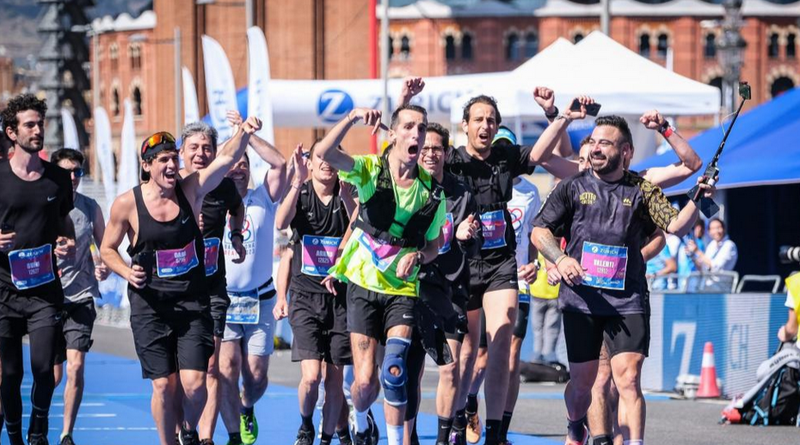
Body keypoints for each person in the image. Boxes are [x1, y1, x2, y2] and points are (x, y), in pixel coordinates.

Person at [532, 113, 715, 445]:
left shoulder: (642, 188)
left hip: (627, 300)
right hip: (582, 301)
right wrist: (560, 258)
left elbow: (676, 226)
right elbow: (540, 232)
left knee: (628, 380)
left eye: (605, 143)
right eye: (594, 142)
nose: (596, 148)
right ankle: (575, 423)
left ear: (626, 151)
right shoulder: (573, 186)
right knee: (584, 384)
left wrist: (697, 197)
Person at [100, 117, 259, 445]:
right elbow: (107, 249)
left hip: (191, 303)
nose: (172, 165)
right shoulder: (127, 204)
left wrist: (243, 133)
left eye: (174, 158)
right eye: (164, 160)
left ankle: (188, 430)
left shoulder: (191, 190)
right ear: (147, 166)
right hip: (151, 307)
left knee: (196, 384)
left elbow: (226, 159)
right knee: (163, 385)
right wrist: (126, 271)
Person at [445, 89, 585, 445]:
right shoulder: (452, 161)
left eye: (491, 120)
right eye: (478, 119)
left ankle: (495, 432)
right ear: (465, 125)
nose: (485, 126)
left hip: (501, 264)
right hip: (463, 266)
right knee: (466, 354)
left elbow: (540, 154)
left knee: (502, 346)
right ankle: (458, 421)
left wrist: (562, 117)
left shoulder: (505, 157)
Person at [316, 104, 446, 445]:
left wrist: (417, 256)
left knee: (395, 370)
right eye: (408, 127)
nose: (416, 134)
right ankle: (361, 421)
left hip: (402, 289)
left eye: (421, 128)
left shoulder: (432, 193)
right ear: (393, 134)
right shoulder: (370, 170)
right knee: (364, 382)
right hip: (362, 285)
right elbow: (325, 152)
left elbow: (434, 246)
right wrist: (351, 118)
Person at [459, 125, 542, 445]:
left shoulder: (530, 192)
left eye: (508, 148)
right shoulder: (477, 181)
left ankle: (501, 430)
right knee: (479, 356)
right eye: (498, 147)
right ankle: (469, 405)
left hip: (516, 278)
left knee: (510, 355)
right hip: (481, 275)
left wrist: (535, 263)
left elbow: (533, 234)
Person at [0, 94, 76, 445]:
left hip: (44, 290)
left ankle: (38, 429)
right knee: (9, 375)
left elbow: (64, 221)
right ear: (11, 132)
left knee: (45, 369)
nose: (37, 130)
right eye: (29, 125)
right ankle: (15, 436)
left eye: (40, 124)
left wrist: (67, 241)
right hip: (4, 290)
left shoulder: (58, 179)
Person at [273, 142, 356, 445]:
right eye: (321, 156)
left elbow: (359, 227)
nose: (327, 162)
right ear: (309, 163)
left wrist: (347, 197)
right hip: (305, 299)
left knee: (334, 378)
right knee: (311, 377)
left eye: (334, 157)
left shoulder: (347, 195)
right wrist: (281, 298)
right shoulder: (302, 193)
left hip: (340, 300)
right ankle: (306, 424)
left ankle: (326, 438)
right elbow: (281, 223)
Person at [403, 122, 480, 445]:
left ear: (447, 153)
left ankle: (444, 438)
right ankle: (407, 437)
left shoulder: (462, 193)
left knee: (450, 367)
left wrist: (466, 237)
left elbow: (475, 248)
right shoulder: (405, 187)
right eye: (425, 148)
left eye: (437, 148)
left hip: (451, 290)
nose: (431, 154)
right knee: (411, 371)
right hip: (412, 289)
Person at [216, 112, 287, 445]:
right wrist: (234, 143)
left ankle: (246, 406)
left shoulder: (263, 198)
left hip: (260, 299)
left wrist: (247, 134)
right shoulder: (213, 202)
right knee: (226, 370)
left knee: (256, 376)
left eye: (243, 163)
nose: (238, 168)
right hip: (226, 301)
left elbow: (280, 163)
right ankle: (234, 435)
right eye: (233, 163)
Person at [178, 120, 247, 445]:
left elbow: (237, 207)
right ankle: (180, 428)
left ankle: (203, 438)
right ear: (182, 152)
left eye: (207, 148)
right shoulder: (171, 185)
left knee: (210, 366)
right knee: (178, 373)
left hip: (213, 289)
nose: (200, 154)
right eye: (194, 147)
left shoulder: (223, 186)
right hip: (176, 293)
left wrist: (236, 234)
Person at [50, 148, 110, 445]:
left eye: (78, 172)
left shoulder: (90, 207)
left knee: (75, 367)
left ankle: (66, 434)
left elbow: (106, 248)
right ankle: (38, 424)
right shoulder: (43, 205)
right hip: (47, 299)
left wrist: (104, 267)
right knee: (52, 376)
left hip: (81, 297)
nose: (73, 177)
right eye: (66, 172)